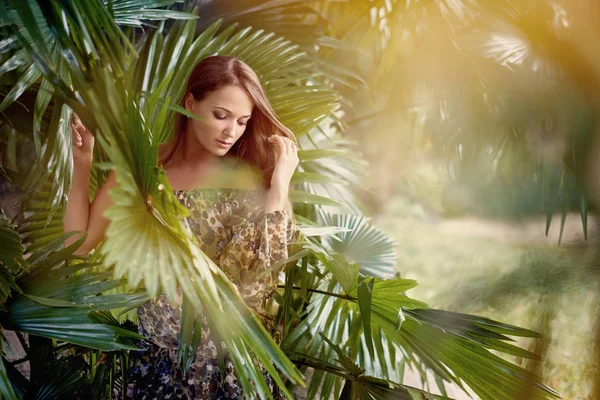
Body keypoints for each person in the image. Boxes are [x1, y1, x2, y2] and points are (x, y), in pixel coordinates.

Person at [64, 55, 299, 399]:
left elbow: (258, 281)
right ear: (191, 102)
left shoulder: (252, 177)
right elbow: (80, 245)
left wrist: (279, 186)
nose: (230, 131)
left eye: (242, 121)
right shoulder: (144, 168)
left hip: (233, 369)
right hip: (159, 368)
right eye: (221, 115)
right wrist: (82, 164)